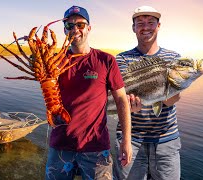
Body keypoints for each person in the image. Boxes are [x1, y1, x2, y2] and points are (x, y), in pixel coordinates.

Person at [45, 5, 132, 180]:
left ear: (89, 28)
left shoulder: (106, 60)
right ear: (64, 30)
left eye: (80, 25)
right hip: (61, 143)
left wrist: (126, 140)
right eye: (69, 26)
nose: (75, 29)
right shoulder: (54, 61)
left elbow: (122, 99)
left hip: (96, 146)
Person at [113, 6, 182, 180]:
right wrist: (126, 108)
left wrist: (170, 90)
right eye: (140, 23)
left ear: (158, 26)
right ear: (133, 28)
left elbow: (171, 100)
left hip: (166, 140)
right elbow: (115, 98)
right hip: (130, 140)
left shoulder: (173, 58)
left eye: (151, 23)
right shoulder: (120, 59)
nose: (146, 27)